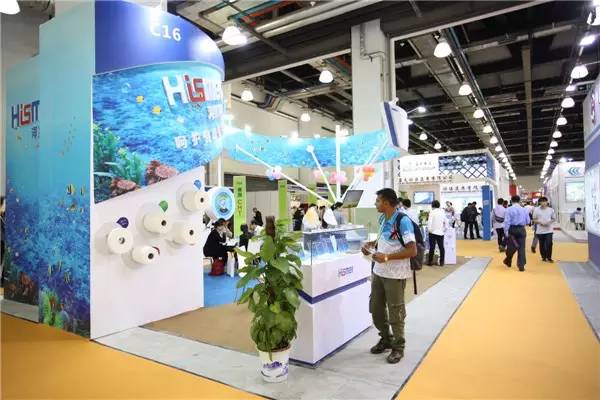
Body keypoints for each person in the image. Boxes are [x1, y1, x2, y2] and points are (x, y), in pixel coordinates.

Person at [361, 188, 416, 364]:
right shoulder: (383, 218)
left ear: (386, 202)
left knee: (395, 311)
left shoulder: (403, 221)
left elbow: (412, 250)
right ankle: (386, 339)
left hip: (395, 274)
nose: (375, 203)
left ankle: (398, 347)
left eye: (378, 201)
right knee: (376, 308)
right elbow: (383, 240)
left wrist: (387, 257)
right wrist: (371, 245)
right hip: (379, 272)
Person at [503, 195, 530, 271]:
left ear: (511, 201)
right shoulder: (524, 209)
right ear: (519, 200)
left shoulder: (508, 209)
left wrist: (506, 231)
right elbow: (528, 221)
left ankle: (508, 260)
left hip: (512, 229)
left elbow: (507, 221)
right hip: (521, 229)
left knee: (511, 247)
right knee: (522, 248)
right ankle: (521, 265)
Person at [532, 197, 556, 262]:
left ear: (547, 202)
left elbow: (553, 218)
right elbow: (534, 219)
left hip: (549, 230)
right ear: (539, 202)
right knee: (542, 244)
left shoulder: (551, 210)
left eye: (545, 201)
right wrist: (540, 222)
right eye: (542, 202)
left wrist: (549, 222)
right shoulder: (536, 210)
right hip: (540, 230)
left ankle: (549, 257)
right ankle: (543, 257)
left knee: (549, 243)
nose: (543, 203)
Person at [427, 200, 447, 266]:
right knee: (441, 247)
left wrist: (429, 230)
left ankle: (430, 262)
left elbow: (429, 222)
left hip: (432, 232)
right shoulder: (442, 212)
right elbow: (446, 222)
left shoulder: (432, 212)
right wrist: (444, 229)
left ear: (432, 205)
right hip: (441, 232)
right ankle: (442, 262)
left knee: (432, 247)